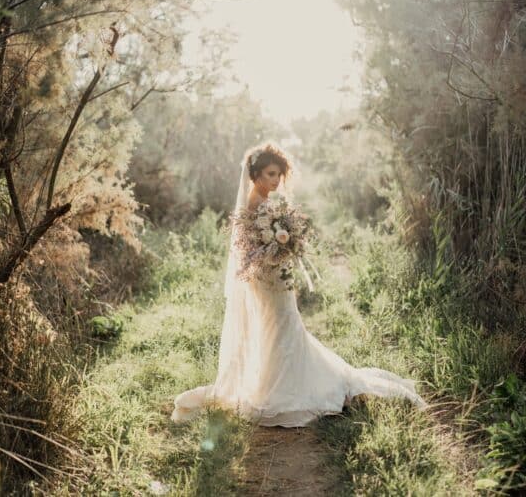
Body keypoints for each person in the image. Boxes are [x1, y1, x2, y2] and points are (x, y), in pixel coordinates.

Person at [171, 143, 428, 427]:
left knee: (284, 326)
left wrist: (286, 245)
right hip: (265, 279)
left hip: (276, 275)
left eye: (279, 175)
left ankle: (284, 385)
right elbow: (248, 251)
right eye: (270, 174)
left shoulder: (268, 202)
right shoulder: (253, 205)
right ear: (254, 173)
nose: (275, 180)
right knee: (277, 326)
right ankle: (276, 388)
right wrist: (276, 250)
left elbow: (269, 243)